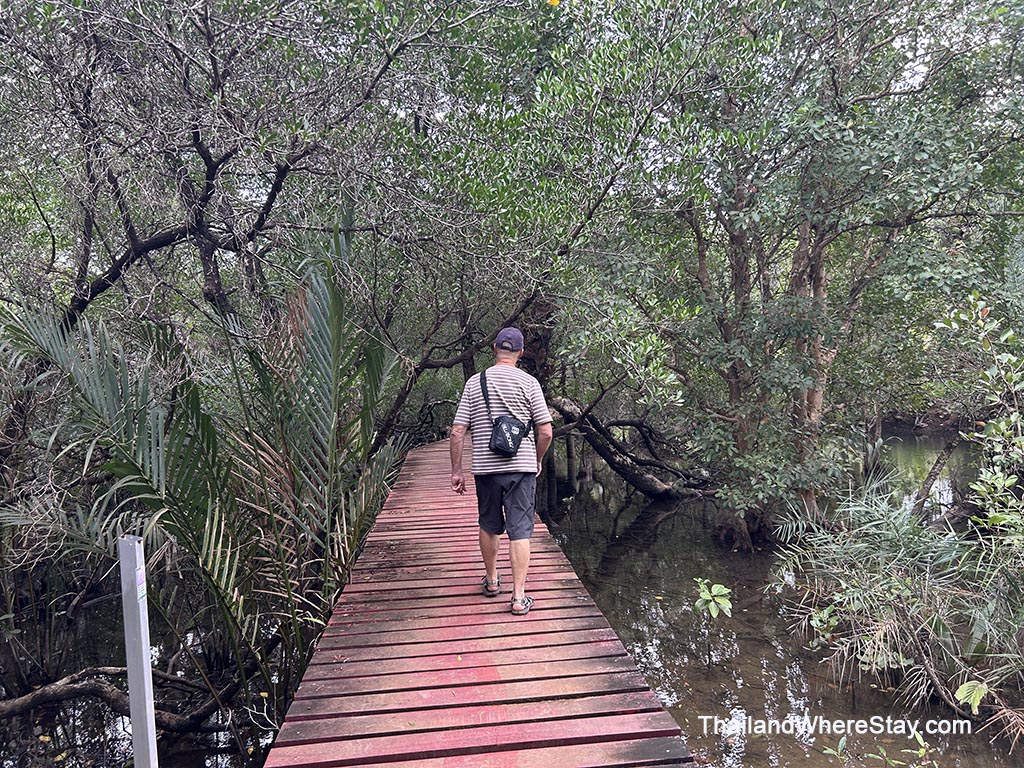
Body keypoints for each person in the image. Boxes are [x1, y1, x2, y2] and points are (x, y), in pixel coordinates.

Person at [449, 327, 553, 616]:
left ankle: (492, 581)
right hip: (520, 469)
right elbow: (545, 431)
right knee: (520, 530)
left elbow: (458, 431)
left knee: (489, 523)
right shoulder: (530, 383)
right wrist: (537, 459)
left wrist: (457, 471)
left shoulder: (474, 383)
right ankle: (519, 598)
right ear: (521, 353)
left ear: (494, 348)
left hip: (485, 468)